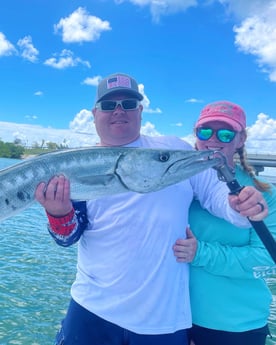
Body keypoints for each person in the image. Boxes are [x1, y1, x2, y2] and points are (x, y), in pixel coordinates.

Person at [35, 75, 267, 345]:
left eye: (129, 103)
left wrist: (240, 207)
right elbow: (68, 237)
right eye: (109, 105)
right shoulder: (75, 166)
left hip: (162, 321)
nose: (119, 110)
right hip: (91, 308)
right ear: (95, 113)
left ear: (141, 111)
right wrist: (58, 213)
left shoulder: (173, 150)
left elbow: (215, 195)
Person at [173, 100, 276, 345]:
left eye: (226, 133)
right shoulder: (178, 185)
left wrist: (200, 253)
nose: (213, 139)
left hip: (238, 326)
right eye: (205, 131)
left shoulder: (264, 194)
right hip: (176, 319)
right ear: (195, 135)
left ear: (241, 140)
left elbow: (266, 261)